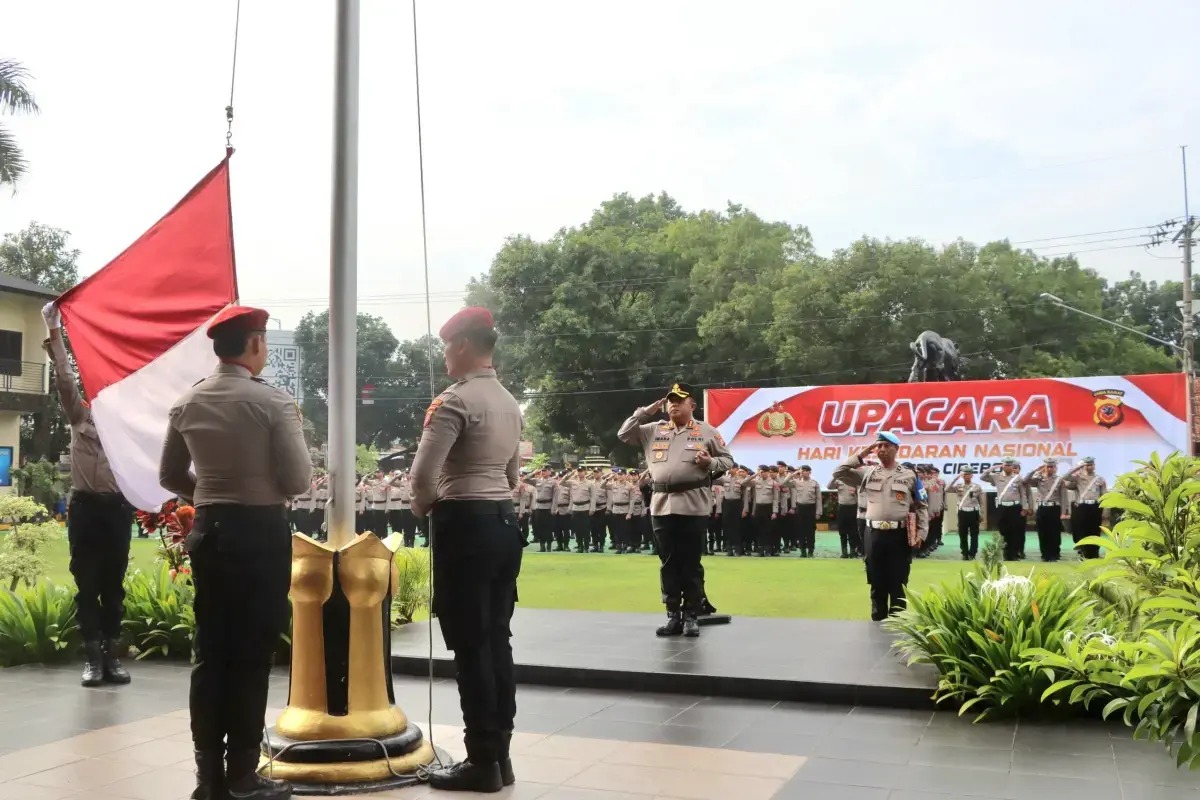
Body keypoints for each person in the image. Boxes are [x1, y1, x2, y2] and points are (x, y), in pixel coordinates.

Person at [159, 305, 311, 800]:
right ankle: (243, 774)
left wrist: (209, 496)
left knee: (211, 653)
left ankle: (208, 779)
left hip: (210, 533)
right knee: (251, 655)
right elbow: (298, 480)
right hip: (259, 534)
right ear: (255, 343)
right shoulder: (273, 403)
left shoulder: (188, 401)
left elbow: (169, 474)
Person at [408, 307, 523, 793]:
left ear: (461, 344)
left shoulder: (453, 401)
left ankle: (481, 761)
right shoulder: (509, 401)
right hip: (503, 522)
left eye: (445, 347)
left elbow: (422, 478)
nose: (444, 357)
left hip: (465, 525)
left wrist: (423, 508)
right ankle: (501, 756)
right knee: (496, 640)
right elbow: (513, 476)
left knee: (470, 645)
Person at [42, 302, 134, 689]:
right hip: (85, 510)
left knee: (113, 587)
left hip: (117, 510)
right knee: (87, 585)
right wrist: (54, 329)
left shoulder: (129, 426)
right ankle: (93, 660)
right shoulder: (80, 417)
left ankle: (112, 658)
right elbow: (65, 379)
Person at [618, 382, 733, 636]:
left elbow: (727, 460)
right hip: (661, 504)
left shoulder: (706, 431)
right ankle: (673, 615)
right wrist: (644, 412)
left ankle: (691, 614)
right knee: (668, 562)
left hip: (693, 503)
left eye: (679, 401)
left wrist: (710, 462)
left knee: (690, 562)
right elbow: (624, 434)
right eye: (670, 401)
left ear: (692, 405)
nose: (673, 405)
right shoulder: (653, 429)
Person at [832, 431, 928, 621]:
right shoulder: (867, 473)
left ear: (896, 449)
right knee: (876, 580)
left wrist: (922, 533)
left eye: (886, 445)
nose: (881, 449)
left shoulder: (909, 475)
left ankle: (897, 622)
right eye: (878, 446)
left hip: (900, 534)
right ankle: (877, 621)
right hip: (874, 533)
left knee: (898, 581)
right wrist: (862, 453)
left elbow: (921, 506)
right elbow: (838, 473)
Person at [982, 458, 1030, 561]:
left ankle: (1012, 554)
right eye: (1006, 465)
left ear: (1013, 467)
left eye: (1010, 465)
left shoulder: (1018, 478)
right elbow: (983, 477)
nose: (1008, 467)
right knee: (1003, 531)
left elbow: (1023, 494)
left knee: (1014, 531)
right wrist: (994, 467)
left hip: (1015, 507)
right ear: (1003, 466)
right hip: (1002, 507)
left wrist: (1025, 507)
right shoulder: (996, 476)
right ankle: (1005, 553)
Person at [1025, 458, 1068, 562]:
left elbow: (1064, 497)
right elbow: (1026, 480)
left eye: (1051, 467)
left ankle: (1054, 554)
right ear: (1044, 467)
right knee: (1042, 532)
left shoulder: (1059, 480)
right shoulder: (1038, 479)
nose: (1049, 469)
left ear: (1055, 468)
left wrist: (1063, 512)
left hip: (1054, 508)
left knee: (1054, 532)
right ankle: (1044, 554)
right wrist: (1036, 470)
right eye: (1047, 466)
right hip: (1042, 508)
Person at [1063, 456, 1107, 559]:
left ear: (1094, 466)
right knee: (1082, 530)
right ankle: (1083, 551)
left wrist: (1105, 511)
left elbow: (1104, 496)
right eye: (1087, 465)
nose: (1089, 467)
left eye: (1091, 465)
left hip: (1095, 507)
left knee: (1094, 531)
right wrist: (1077, 468)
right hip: (1082, 507)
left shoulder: (1100, 479)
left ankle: (1094, 552)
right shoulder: (1078, 477)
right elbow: (1065, 477)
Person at [947, 467, 985, 560]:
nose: (967, 476)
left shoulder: (977, 487)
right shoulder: (958, 486)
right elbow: (947, 489)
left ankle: (972, 553)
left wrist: (982, 513)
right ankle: (964, 552)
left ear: (972, 475)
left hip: (974, 512)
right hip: (963, 512)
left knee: (974, 534)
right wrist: (956, 478)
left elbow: (981, 502)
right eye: (965, 474)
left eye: (968, 474)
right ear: (962, 476)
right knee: (962, 534)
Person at [745, 465, 780, 557]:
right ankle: (760, 550)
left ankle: (768, 550)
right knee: (759, 529)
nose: (761, 473)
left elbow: (776, 498)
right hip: (758, 507)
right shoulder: (756, 481)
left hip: (768, 508)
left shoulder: (774, 483)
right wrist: (755, 475)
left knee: (768, 530)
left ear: (767, 472)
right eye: (760, 471)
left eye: (763, 472)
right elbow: (744, 483)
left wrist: (774, 512)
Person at [792, 465, 822, 558]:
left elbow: (818, 498)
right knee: (800, 530)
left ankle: (810, 551)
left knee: (810, 531)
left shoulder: (814, 483)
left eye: (805, 471)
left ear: (809, 472)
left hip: (811, 508)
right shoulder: (796, 482)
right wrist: (793, 474)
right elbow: (784, 483)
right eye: (802, 471)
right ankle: (802, 551)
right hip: (800, 508)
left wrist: (818, 512)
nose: (803, 472)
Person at [829, 473, 859, 558]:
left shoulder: (855, 481)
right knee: (842, 531)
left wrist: (855, 492)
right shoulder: (839, 481)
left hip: (853, 507)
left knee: (853, 531)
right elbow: (829, 486)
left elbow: (861, 494)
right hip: (842, 508)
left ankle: (853, 551)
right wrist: (834, 477)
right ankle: (844, 552)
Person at [717, 467, 746, 556]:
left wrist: (745, 509)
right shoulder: (724, 479)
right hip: (727, 503)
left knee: (737, 526)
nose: (730, 469)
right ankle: (729, 548)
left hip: (737, 503)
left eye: (732, 468)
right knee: (726, 526)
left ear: (736, 469)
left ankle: (737, 549)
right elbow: (713, 478)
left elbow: (745, 496)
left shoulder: (741, 480)